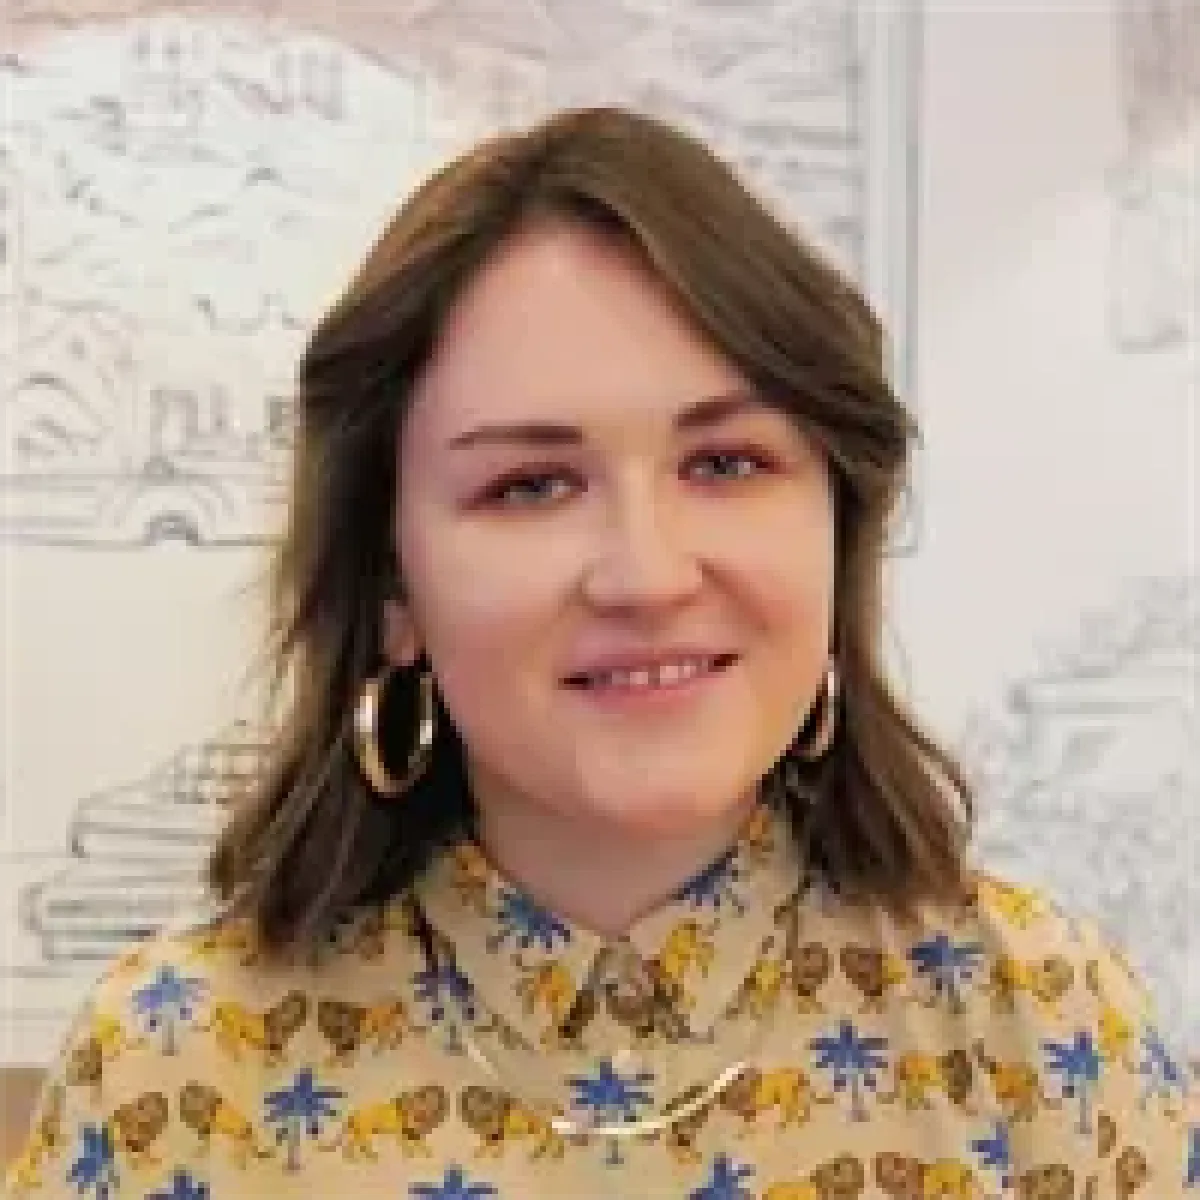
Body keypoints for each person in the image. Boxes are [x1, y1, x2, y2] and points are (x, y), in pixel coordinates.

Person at [6, 106, 1193, 1200]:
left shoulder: (1043, 1032)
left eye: (726, 464)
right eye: (531, 485)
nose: (648, 574)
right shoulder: (172, 1071)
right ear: (392, 583)